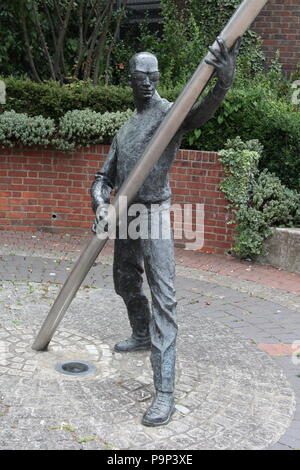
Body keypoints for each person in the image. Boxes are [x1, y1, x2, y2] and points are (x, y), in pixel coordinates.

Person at [90, 38, 240, 427]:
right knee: (125, 281)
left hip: (154, 213)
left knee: (164, 297)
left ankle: (165, 392)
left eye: (152, 75)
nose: (146, 81)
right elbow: (102, 177)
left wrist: (222, 84)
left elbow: (198, 115)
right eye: (139, 75)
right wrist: (100, 201)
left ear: (158, 77)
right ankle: (140, 334)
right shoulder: (125, 130)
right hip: (125, 213)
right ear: (129, 79)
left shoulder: (168, 115)